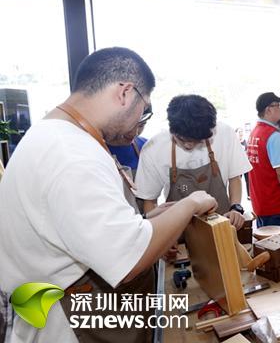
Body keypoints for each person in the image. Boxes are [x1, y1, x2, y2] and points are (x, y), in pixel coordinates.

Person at [0, 47, 217, 342]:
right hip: (73, 327)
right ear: (125, 93)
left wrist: (149, 220)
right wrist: (191, 203)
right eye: (144, 109)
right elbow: (128, 259)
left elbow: (86, 230)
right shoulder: (72, 154)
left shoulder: (55, 136)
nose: (140, 119)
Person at [135, 95, 251, 230]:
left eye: (197, 141)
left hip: (221, 225)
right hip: (178, 229)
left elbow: (235, 177)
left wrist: (235, 207)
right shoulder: (154, 148)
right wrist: (158, 231)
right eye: (182, 139)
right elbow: (149, 200)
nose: (188, 145)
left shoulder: (225, 134)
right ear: (172, 129)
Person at [247, 92, 280, 227]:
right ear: (268, 110)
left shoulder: (255, 132)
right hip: (277, 205)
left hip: (261, 203)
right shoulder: (273, 135)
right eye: (278, 105)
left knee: (266, 238)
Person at [107, 105, 152, 177]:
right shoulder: (95, 149)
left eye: (141, 125)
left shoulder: (147, 146)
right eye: (129, 125)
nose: (135, 133)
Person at [235, 127, 251, 200]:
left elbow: (248, 151)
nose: (241, 133)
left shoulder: (245, 141)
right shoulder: (235, 142)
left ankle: (249, 195)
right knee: (238, 181)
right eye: (239, 132)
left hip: (245, 164)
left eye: (241, 131)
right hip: (238, 165)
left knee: (248, 180)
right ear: (236, 133)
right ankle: (237, 196)